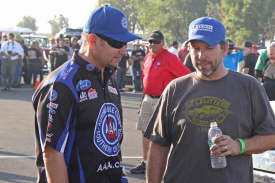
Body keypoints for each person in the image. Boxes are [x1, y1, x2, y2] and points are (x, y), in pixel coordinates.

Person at [145, 17, 275, 183]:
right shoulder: (175, 88)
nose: (201, 55)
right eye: (195, 48)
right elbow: (158, 145)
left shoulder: (249, 87)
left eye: (208, 48)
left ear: (224, 48)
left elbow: (271, 137)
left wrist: (239, 146)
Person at [32, 5, 141, 183]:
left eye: (125, 43)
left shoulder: (108, 77)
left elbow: (111, 145)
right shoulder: (62, 84)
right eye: (117, 43)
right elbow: (51, 154)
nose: (123, 51)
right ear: (92, 40)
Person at [130, 30, 190, 174]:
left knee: (164, 135)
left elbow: (187, 76)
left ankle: (168, 165)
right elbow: (146, 78)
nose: (152, 44)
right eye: (150, 41)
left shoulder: (169, 58)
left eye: (156, 41)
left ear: (162, 43)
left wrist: (179, 98)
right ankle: (145, 162)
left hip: (163, 101)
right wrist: (142, 99)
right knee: (145, 131)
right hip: (148, 98)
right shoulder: (148, 57)